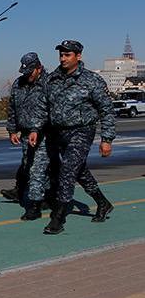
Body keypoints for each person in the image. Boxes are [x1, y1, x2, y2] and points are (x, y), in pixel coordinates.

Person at [44, 40, 115, 235]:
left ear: (78, 56)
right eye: (61, 54)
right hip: (59, 134)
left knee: (67, 170)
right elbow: (45, 107)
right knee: (79, 171)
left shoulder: (91, 80)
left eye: (67, 55)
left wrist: (106, 139)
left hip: (82, 132)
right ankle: (103, 202)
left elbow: (107, 110)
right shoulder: (52, 79)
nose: (63, 58)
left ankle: (58, 217)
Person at [4, 52, 51, 221]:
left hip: (45, 134)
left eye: (30, 72)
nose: (27, 76)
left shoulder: (49, 83)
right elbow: (12, 109)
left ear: (38, 68)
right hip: (25, 134)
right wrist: (11, 130)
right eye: (24, 72)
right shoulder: (19, 84)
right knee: (28, 165)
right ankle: (48, 196)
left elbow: (49, 110)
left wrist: (37, 129)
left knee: (36, 169)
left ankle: (34, 206)